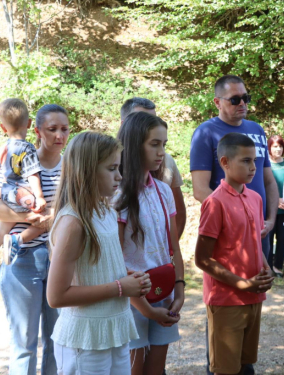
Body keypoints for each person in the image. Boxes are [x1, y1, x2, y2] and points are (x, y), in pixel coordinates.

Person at [190, 75, 278, 375]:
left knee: (245, 362)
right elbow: (202, 258)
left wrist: (265, 260)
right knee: (223, 364)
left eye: (246, 98)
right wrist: (228, 213)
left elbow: (268, 179)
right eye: (234, 99)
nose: (253, 167)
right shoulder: (205, 134)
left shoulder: (253, 195)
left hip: (253, 289)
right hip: (227, 292)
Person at [47, 131, 150, 374]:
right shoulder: (73, 222)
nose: (120, 176)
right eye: (112, 168)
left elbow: (98, 269)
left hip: (113, 330)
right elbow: (56, 296)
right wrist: (121, 287)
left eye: (119, 167)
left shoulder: (106, 213)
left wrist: (128, 276)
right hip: (85, 338)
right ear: (88, 171)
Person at [0, 104, 69, 374]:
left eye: (64, 129)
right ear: (37, 130)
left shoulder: (72, 165)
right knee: (24, 344)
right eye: (52, 129)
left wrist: (51, 215)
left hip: (61, 259)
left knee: (57, 342)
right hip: (23, 259)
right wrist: (35, 219)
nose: (59, 135)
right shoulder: (20, 159)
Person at [115, 112, 184, 375]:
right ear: (134, 145)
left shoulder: (163, 190)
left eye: (164, 145)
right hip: (130, 301)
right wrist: (146, 309)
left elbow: (173, 246)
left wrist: (179, 291)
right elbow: (116, 259)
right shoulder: (117, 195)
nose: (161, 152)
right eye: (154, 144)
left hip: (164, 294)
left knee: (156, 370)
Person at [0, 99, 47, 281]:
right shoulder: (28, 148)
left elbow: (4, 173)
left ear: (3, 127)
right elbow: (32, 175)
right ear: (29, 124)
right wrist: (39, 196)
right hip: (23, 195)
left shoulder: (3, 148)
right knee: (43, 220)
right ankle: (17, 240)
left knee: (3, 227)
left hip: (7, 192)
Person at [120, 97, 186, 238]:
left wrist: (170, 251)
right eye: (141, 119)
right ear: (126, 124)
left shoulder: (167, 161)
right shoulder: (109, 164)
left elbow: (178, 212)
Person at [267, 135, 284, 277]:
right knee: (268, 239)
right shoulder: (265, 165)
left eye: (280, 146)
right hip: (269, 210)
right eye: (275, 146)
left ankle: (278, 267)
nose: (278, 149)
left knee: (283, 239)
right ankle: (268, 267)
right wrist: (275, 200)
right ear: (269, 148)